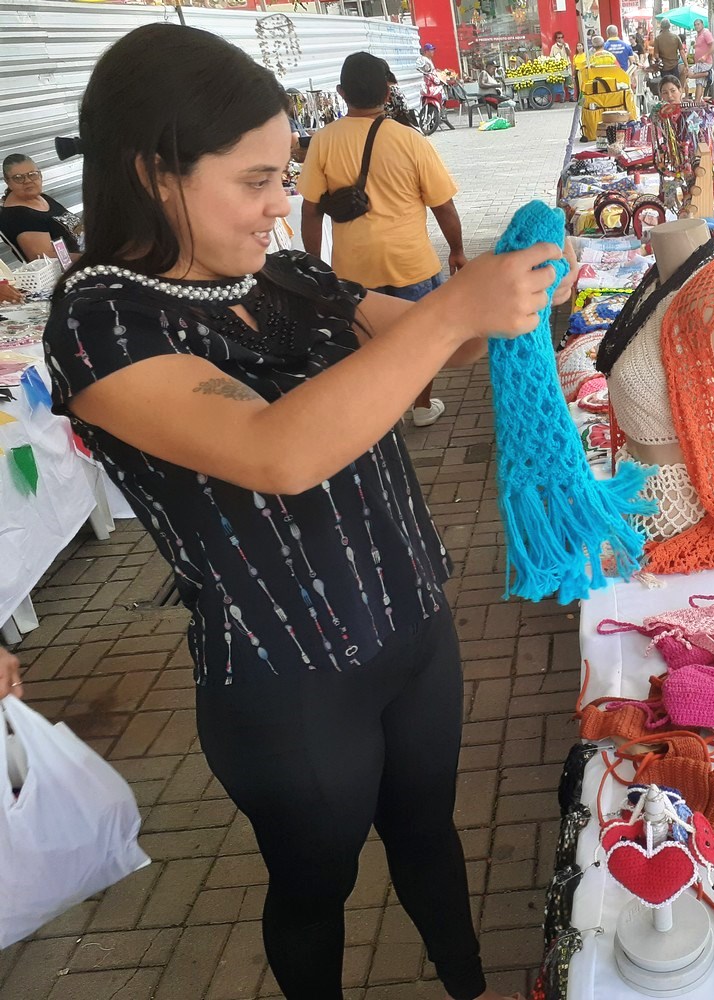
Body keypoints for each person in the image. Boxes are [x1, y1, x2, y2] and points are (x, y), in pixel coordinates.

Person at [45, 23, 567, 1000]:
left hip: (412, 621)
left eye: (283, 175)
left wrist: (506, 289)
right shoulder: (103, 319)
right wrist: (456, 310)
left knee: (429, 833)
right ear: (155, 172)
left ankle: (471, 985)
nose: (281, 203)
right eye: (255, 180)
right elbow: (275, 452)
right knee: (315, 887)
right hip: (287, 676)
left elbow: (438, 342)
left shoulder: (288, 278)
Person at [298, 52, 469, 427]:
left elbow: (310, 211)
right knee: (420, 340)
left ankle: (383, 415)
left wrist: (317, 266)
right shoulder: (410, 140)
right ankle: (421, 406)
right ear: (388, 92)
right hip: (411, 263)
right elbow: (443, 205)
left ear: (342, 92)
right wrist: (457, 251)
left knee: (369, 345)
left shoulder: (323, 142)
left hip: (354, 268)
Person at [1, 154, 82, 263]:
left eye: (32, 174)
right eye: (18, 178)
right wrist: (91, 257)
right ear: (7, 182)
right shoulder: (18, 216)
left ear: (40, 175)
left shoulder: (40, 197)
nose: (27, 181)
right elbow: (43, 258)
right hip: (76, 269)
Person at [690, 17, 714, 97]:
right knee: (699, 82)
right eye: (695, 25)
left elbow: (713, 45)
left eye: (698, 24)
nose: (696, 26)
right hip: (699, 62)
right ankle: (698, 100)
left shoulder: (706, 33)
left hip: (705, 62)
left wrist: (705, 56)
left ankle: (707, 74)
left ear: (702, 25)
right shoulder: (698, 35)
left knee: (691, 75)